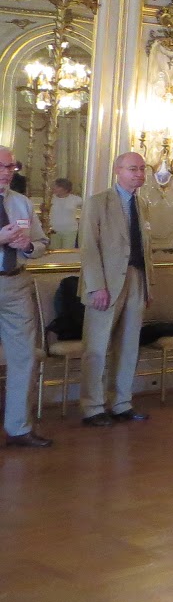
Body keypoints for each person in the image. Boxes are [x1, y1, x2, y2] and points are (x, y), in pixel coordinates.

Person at [78, 152, 153, 427]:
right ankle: (93, 407)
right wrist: (97, 286)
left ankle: (121, 403)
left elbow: (146, 250)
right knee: (97, 348)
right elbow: (88, 247)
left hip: (136, 279)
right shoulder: (98, 202)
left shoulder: (142, 204)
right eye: (133, 169)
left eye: (142, 169)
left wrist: (148, 286)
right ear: (117, 170)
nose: (139, 174)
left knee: (129, 345)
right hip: (105, 284)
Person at [0, 145, 51, 446]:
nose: (6, 172)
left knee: (24, 357)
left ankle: (19, 428)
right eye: (1, 166)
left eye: (11, 167)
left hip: (16, 284)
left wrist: (29, 246)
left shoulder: (22, 203)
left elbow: (43, 243)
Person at [47, 177, 81, 248]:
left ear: (65, 189)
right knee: (54, 251)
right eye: (55, 186)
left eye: (58, 187)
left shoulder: (76, 199)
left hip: (70, 230)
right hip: (54, 230)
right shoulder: (50, 199)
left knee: (67, 251)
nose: (54, 188)